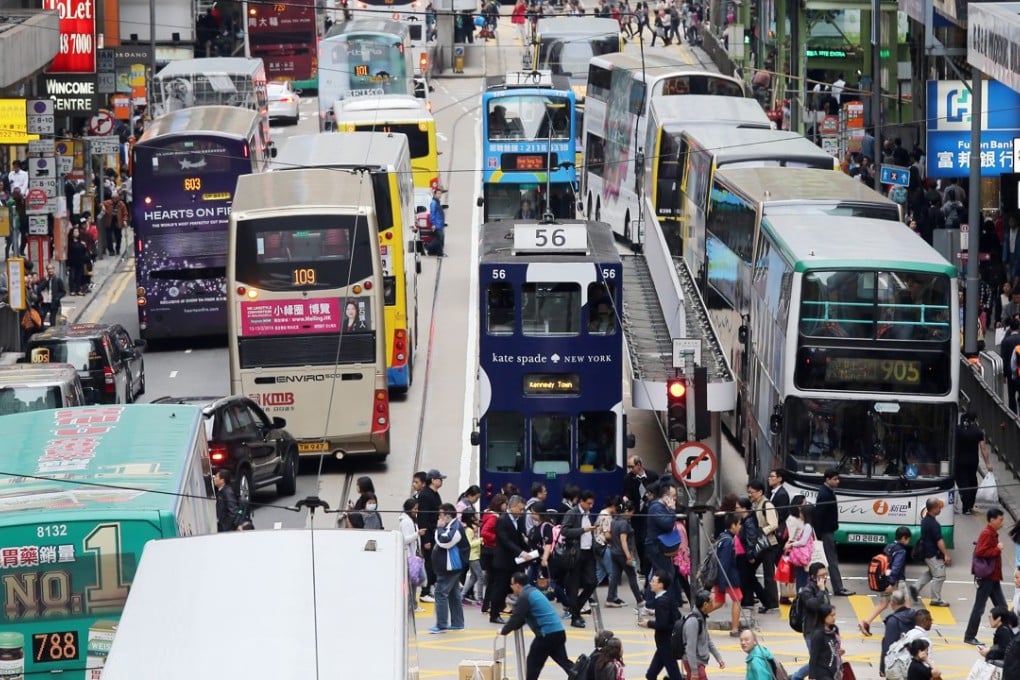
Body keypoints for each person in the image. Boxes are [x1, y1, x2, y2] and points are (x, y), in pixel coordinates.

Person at [499, 572, 573, 680]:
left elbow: (516, 618)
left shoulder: (525, 596)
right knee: (564, 662)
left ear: (517, 585)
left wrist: (503, 631)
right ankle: (582, 676)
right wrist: (513, 627)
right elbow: (523, 618)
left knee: (533, 664)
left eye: (512, 585)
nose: (511, 587)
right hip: (558, 632)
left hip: (546, 635)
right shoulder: (533, 591)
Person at [965, 508, 1007, 646]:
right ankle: (970, 635)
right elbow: (981, 551)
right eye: (1000, 520)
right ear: (992, 520)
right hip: (987, 576)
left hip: (993, 576)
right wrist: (997, 549)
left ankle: (1006, 636)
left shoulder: (992, 533)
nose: (1002, 522)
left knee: (1002, 606)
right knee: (979, 607)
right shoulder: (987, 533)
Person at [859, 527, 912, 636]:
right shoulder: (901, 550)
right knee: (906, 604)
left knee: (883, 604)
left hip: (884, 579)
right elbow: (896, 567)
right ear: (903, 538)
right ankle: (906, 630)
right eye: (908, 539)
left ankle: (866, 622)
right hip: (896, 581)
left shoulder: (889, 547)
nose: (908, 541)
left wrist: (887, 582)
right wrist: (892, 583)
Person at [561, 489, 599, 628]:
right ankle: (575, 617)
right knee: (574, 586)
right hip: (575, 554)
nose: (590, 506)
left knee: (592, 582)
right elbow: (564, 531)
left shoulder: (588, 514)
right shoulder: (572, 513)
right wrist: (583, 530)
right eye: (588, 503)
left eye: (592, 504)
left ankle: (574, 608)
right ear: (581, 502)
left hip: (588, 553)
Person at [491, 495, 531, 624]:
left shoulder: (518, 520)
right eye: (520, 509)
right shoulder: (502, 520)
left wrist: (529, 549)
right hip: (503, 561)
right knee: (500, 588)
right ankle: (494, 614)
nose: (522, 511)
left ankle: (518, 612)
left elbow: (519, 538)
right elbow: (505, 540)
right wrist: (521, 552)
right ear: (512, 507)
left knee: (518, 587)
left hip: (515, 561)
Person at [429, 503, 468, 634]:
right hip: (451, 567)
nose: (439, 517)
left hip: (450, 567)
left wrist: (438, 529)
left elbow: (444, 542)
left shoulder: (455, 528)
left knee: (440, 593)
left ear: (447, 515)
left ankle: (441, 625)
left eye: (441, 514)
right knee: (453, 594)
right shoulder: (451, 525)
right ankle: (457, 623)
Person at [643, 481, 683, 607]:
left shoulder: (661, 507)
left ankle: (650, 603)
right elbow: (666, 524)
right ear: (665, 496)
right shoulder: (656, 507)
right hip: (656, 546)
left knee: (657, 575)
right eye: (673, 496)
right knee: (667, 574)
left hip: (658, 545)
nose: (674, 499)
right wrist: (672, 510)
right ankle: (664, 602)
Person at [790, 562, 831, 680]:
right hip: (812, 632)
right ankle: (796, 677)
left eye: (825, 575)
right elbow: (814, 605)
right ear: (813, 576)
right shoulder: (806, 591)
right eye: (821, 575)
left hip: (823, 631)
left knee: (821, 661)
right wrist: (822, 591)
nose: (824, 578)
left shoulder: (823, 589)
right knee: (817, 662)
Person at [815, 469, 853, 595]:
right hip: (825, 532)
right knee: (831, 561)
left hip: (827, 531)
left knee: (828, 560)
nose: (838, 481)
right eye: (835, 479)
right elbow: (819, 515)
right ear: (827, 479)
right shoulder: (825, 494)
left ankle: (834, 587)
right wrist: (819, 535)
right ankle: (838, 588)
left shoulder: (828, 491)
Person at [638, 570, 681, 680]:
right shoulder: (667, 597)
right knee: (651, 675)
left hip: (666, 643)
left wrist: (648, 623)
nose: (651, 583)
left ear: (661, 585)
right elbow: (676, 615)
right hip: (665, 644)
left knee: (674, 675)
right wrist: (656, 612)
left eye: (653, 581)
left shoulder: (661, 602)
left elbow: (662, 624)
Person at [705, 512, 742, 636]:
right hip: (728, 577)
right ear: (733, 525)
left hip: (722, 577)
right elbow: (724, 563)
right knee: (737, 600)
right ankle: (735, 629)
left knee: (719, 602)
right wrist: (721, 583)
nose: (740, 527)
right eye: (739, 524)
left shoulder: (722, 537)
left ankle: (698, 615)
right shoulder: (728, 542)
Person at [748, 479, 780, 612]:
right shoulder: (756, 504)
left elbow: (774, 524)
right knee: (749, 571)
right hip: (760, 544)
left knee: (769, 575)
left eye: (752, 492)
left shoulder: (767, 504)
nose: (750, 495)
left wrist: (761, 532)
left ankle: (771, 603)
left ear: (760, 492)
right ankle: (764, 599)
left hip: (768, 545)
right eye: (748, 492)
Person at [623, 455, 659, 573]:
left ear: (639, 465)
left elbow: (659, 492)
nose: (630, 469)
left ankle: (650, 566)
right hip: (637, 514)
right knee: (639, 541)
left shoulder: (653, 476)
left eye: (631, 466)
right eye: (628, 467)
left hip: (650, 512)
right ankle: (643, 567)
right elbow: (627, 492)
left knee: (650, 539)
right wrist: (626, 499)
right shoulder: (628, 478)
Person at [914, 498, 951, 607]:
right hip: (932, 553)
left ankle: (914, 589)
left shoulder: (925, 521)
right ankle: (936, 599)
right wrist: (946, 554)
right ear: (934, 508)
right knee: (939, 576)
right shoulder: (933, 524)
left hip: (926, 552)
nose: (940, 509)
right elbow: (939, 540)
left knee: (931, 573)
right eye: (939, 507)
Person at [607, 499, 644, 608]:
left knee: (615, 576)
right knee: (632, 575)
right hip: (623, 554)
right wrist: (629, 556)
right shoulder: (624, 523)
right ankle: (639, 599)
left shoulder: (614, 521)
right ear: (627, 511)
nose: (632, 515)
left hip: (614, 552)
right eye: (632, 512)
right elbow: (624, 541)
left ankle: (610, 598)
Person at [681, 590, 725, 680]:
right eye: (711, 602)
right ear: (705, 605)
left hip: (698, 663)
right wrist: (694, 671)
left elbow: (708, 640)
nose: (713, 605)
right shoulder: (693, 622)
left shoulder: (701, 618)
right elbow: (690, 648)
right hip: (694, 664)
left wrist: (719, 658)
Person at [417, 469, 445, 603]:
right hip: (429, 534)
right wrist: (426, 539)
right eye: (440, 479)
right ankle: (425, 591)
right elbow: (423, 518)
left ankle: (431, 587)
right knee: (428, 563)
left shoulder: (435, 494)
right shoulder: (425, 495)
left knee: (433, 562)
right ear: (433, 480)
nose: (441, 481)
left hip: (435, 533)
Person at [956, 413, 991, 514]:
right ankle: (970, 504)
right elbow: (983, 448)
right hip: (972, 461)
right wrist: (988, 463)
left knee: (963, 483)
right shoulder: (977, 432)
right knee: (972, 482)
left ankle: (966, 506)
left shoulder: (957, 430)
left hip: (959, 461)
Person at [479, 493, 506, 615]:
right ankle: (489, 604)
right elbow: (484, 532)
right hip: (491, 550)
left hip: (487, 550)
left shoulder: (488, 514)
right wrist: (497, 538)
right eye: (505, 504)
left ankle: (486, 605)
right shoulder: (494, 517)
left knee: (491, 580)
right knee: (494, 580)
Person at [879, 591, 917, 675]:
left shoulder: (893, 621)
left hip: (897, 663)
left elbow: (888, 645)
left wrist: (883, 667)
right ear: (904, 601)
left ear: (892, 603)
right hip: (913, 660)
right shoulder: (914, 614)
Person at [808, 604, 843, 680]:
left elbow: (834, 646)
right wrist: (812, 677)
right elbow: (813, 657)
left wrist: (839, 651)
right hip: (823, 672)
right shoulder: (818, 634)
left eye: (834, 615)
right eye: (831, 615)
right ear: (823, 616)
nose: (834, 618)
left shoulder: (834, 629)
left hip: (834, 669)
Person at [461, 510, 484, 604]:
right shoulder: (469, 530)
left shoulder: (471, 529)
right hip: (472, 556)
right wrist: (480, 540)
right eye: (475, 516)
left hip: (474, 555)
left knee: (473, 578)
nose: (477, 518)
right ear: (471, 518)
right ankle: (480, 598)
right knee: (480, 576)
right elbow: (469, 544)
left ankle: (461, 595)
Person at [1000, 318, 1020, 413]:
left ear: (1010, 328)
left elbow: (1003, 358)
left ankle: (1013, 415)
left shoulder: (1005, 341)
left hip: (1010, 373)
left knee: (1011, 396)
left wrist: (1004, 374)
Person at [38, 262, 67, 327]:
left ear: (54, 269)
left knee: (52, 320)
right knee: (42, 317)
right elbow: (39, 288)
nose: (50, 270)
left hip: (54, 302)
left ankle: (52, 333)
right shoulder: (44, 279)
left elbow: (63, 291)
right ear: (47, 270)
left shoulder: (58, 280)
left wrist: (57, 297)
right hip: (45, 303)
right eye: (48, 269)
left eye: (51, 269)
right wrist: (46, 281)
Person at [67, 226, 90, 296]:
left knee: (79, 276)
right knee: (72, 276)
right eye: (75, 232)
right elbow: (68, 253)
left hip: (80, 262)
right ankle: (72, 290)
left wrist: (84, 246)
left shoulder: (81, 242)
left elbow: (84, 252)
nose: (76, 233)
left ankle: (78, 289)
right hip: (72, 263)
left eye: (77, 232)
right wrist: (67, 264)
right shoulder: (69, 243)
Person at [428, 187, 446, 256]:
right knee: (438, 239)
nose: (440, 195)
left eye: (440, 194)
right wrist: (433, 224)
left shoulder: (437, 202)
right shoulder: (434, 203)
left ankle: (439, 253)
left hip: (440, 224)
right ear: (434, 194)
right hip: (437, 225)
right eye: (438, 193)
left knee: (440, 239)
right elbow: (432, 214)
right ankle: (429, 247)